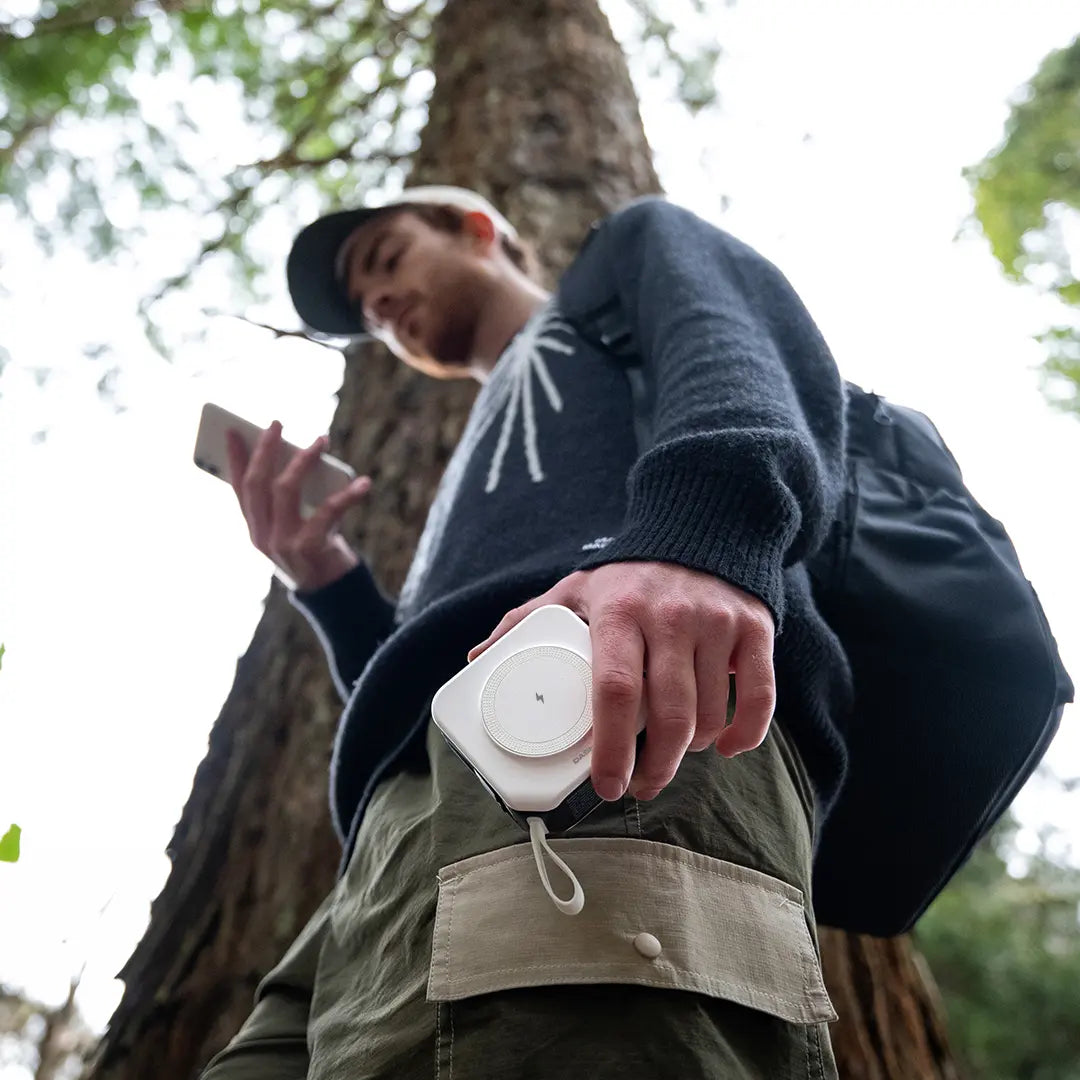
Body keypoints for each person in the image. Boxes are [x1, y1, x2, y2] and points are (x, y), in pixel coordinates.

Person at [203, 185, 850, 1079]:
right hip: (388, 840)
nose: (379, 307)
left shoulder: (610, 269)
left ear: (479, 231)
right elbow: (434, 679)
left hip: (621, 704)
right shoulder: (477, 447)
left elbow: (730, 335)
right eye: (365, 313)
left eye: (387, 261)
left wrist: (700, 537)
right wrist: (329, 586)